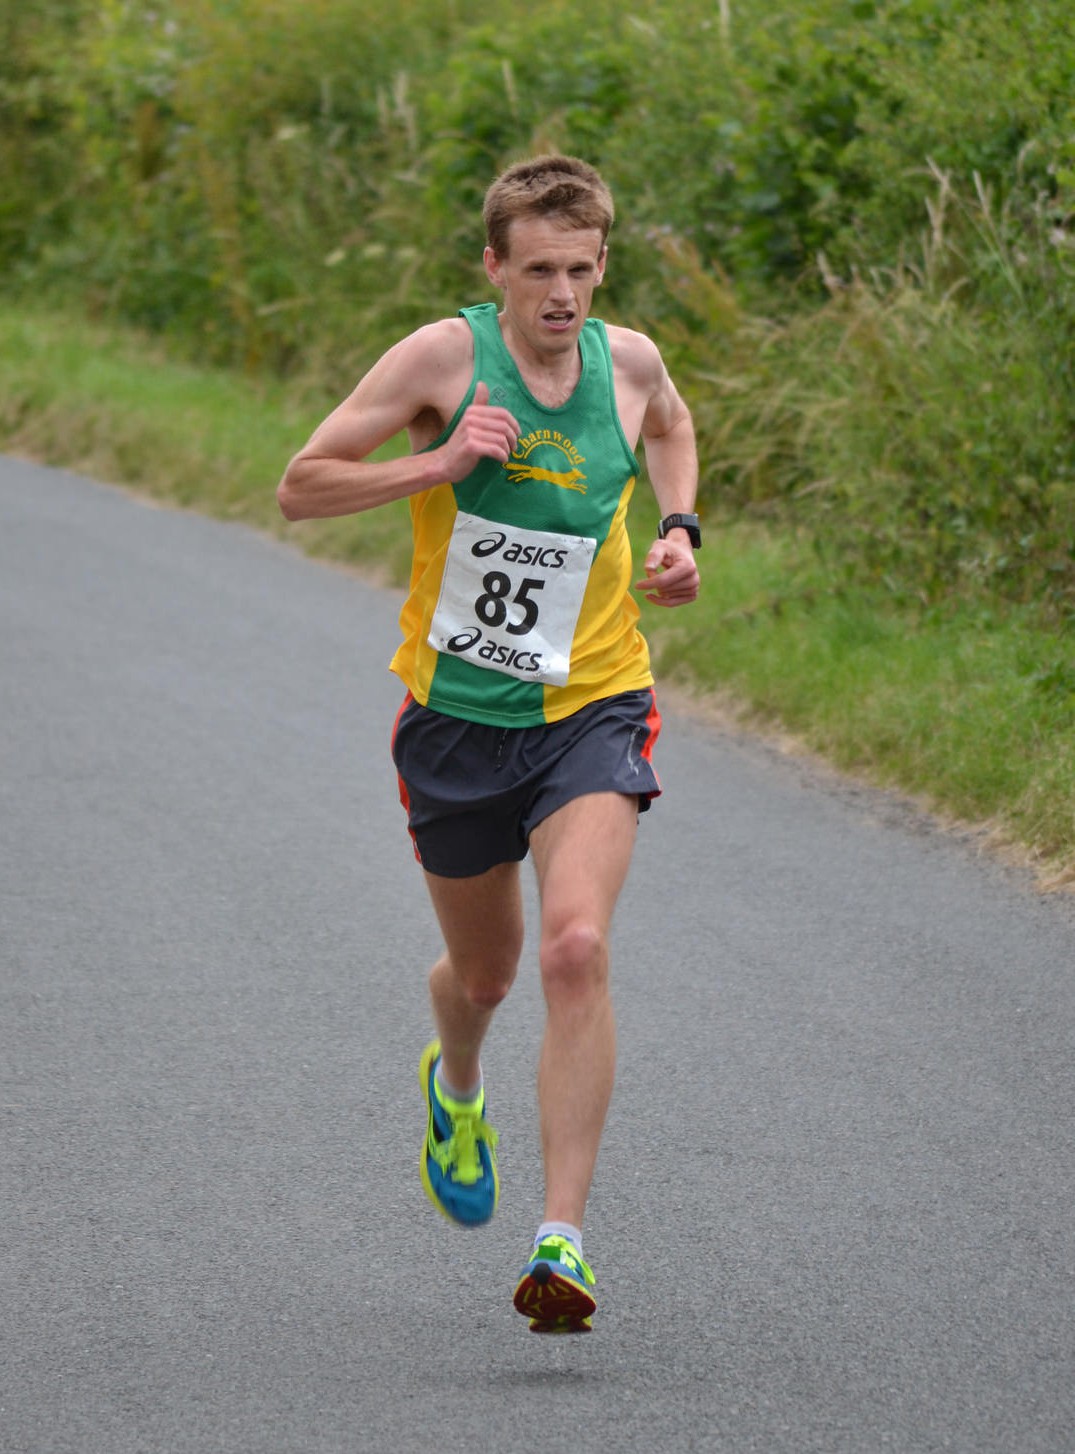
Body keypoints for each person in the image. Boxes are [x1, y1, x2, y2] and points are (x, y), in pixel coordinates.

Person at [277, 154, 700, 1334]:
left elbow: (671, 427)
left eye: (580, 269)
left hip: (594, 702)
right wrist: (442, 461)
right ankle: (454, 1085)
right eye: (538, 272)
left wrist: (678, 529)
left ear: (600, 264)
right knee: (487, 975)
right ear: (495, 268)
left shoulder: (628, 362)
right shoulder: (441, 360)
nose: (560, 294)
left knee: (574, 947)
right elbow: (301, 485)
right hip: (457, 719)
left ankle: (559, 1240)